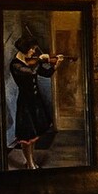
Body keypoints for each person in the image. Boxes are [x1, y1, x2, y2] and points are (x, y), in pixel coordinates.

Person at [10, 35, 63, 169]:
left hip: (35, 101)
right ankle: (30, 163)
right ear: (25, 49)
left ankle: (30, 161)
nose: (34, 51)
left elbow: (46, 74)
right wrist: (40, 59)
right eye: (32, 49)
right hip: (25, 104)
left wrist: (56, 65)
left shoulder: (31, 62)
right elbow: (31, 72)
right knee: (27, 136)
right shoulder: (15, 65)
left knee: (33, 135)